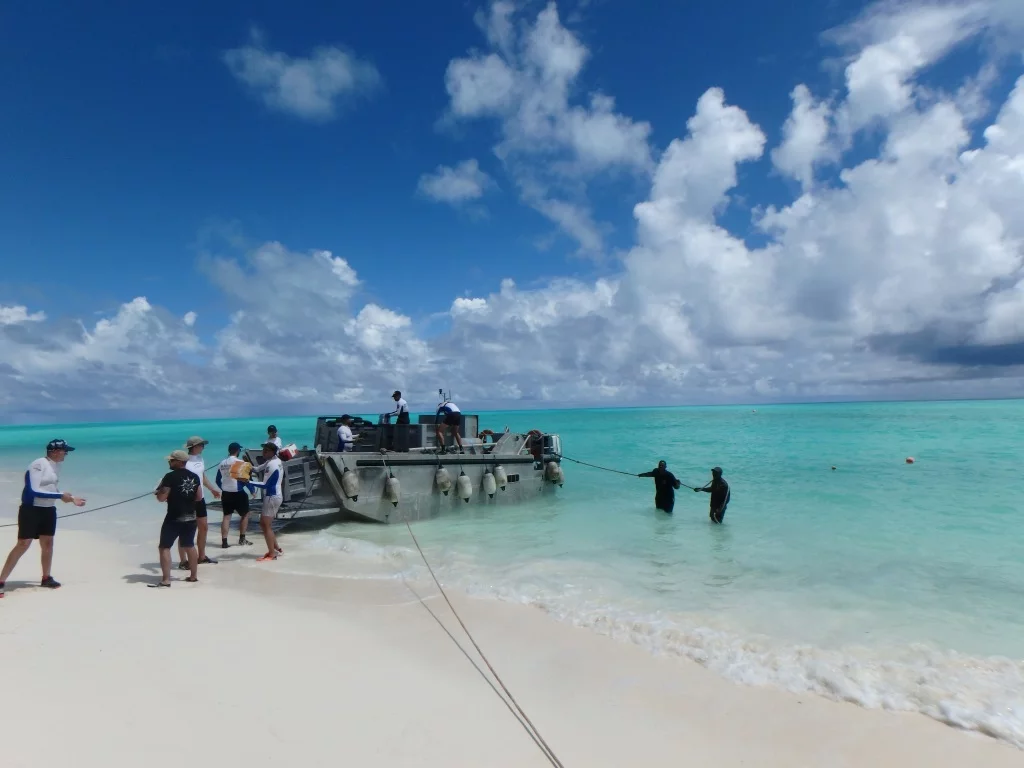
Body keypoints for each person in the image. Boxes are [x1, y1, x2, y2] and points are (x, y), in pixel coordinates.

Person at [0, 439, 86, 596]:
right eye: (64, 451)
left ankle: (46, 578)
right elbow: (34, 491)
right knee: (23, 544)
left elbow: (51, 488)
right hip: (31, 509)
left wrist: (72, 498)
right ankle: (1, 581)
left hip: (48, 510)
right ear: (54, 451)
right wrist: (61, 496)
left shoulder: (56, 466)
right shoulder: (38, 464)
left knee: (48, 544)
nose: (66, 454)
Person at [151, 450, 202, 587]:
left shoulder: (169, 477)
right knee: (189, 545)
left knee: (164, 547)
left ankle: (166, 580)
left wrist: (158, 492)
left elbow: (161, 498)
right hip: (191, 516)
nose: (169, 462)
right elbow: (198, 497)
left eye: (171, 460)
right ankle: (193, 576)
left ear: (179, 462)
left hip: (174, 517)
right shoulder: (195, 477)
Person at [178, 436, 221, 570]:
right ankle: (183, 561)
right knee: (185, 530)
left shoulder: (200, 459)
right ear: (195, 446)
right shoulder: (185, 461)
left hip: (200, 498)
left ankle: (201, 556)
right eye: (202, 445)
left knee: (203, 527)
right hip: (188, 500)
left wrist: (212, 489)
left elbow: (202, 477)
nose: (203, 447)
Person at [249, 442, 284, 562]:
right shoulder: (274, 460)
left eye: (266, 451)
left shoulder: (272, 465)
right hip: (275, 496)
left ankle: (272, 554)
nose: (263, 453)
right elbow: (258, 468)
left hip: (272, 497)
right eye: (263, 450)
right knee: (265, 525)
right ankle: (276, 548)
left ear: (272, 452)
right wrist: (247, 466)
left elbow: (265, 485)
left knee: (265, 525)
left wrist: (247, 482)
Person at [216, 442, 254, 549]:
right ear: (237, 451)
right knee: (245, 515)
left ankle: (224, 542)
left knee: (226, 517)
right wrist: (252, 490)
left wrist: (223, 488)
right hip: (238, 492)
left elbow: (217, 480)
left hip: (226, 493)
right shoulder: (241, 462)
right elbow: (245, 479)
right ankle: (242, 539)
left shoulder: (222, 463)